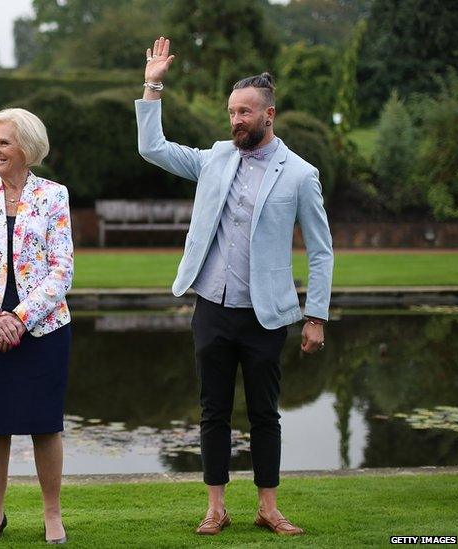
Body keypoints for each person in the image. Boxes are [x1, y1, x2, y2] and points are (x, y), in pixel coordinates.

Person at [135, 37, 334, 536]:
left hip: (267, 315)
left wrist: (316, 315)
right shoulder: (214, 159)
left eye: (244, 112)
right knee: (212, 413)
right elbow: (151, 148)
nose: (235, 120)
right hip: (213, 308)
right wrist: (153, 84)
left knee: (265, 414)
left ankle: (268, 506)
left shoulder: (301, 175)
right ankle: (216, 507)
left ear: (269, 114)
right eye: (231, 112)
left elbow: (321, 250)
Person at [0, 108, 74, 544]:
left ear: (26, 146)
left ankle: (53, 515)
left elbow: (62, 272)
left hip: (43, 327)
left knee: (46, 423)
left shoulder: (54, 196)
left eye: (2, 142)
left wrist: (20, 317)